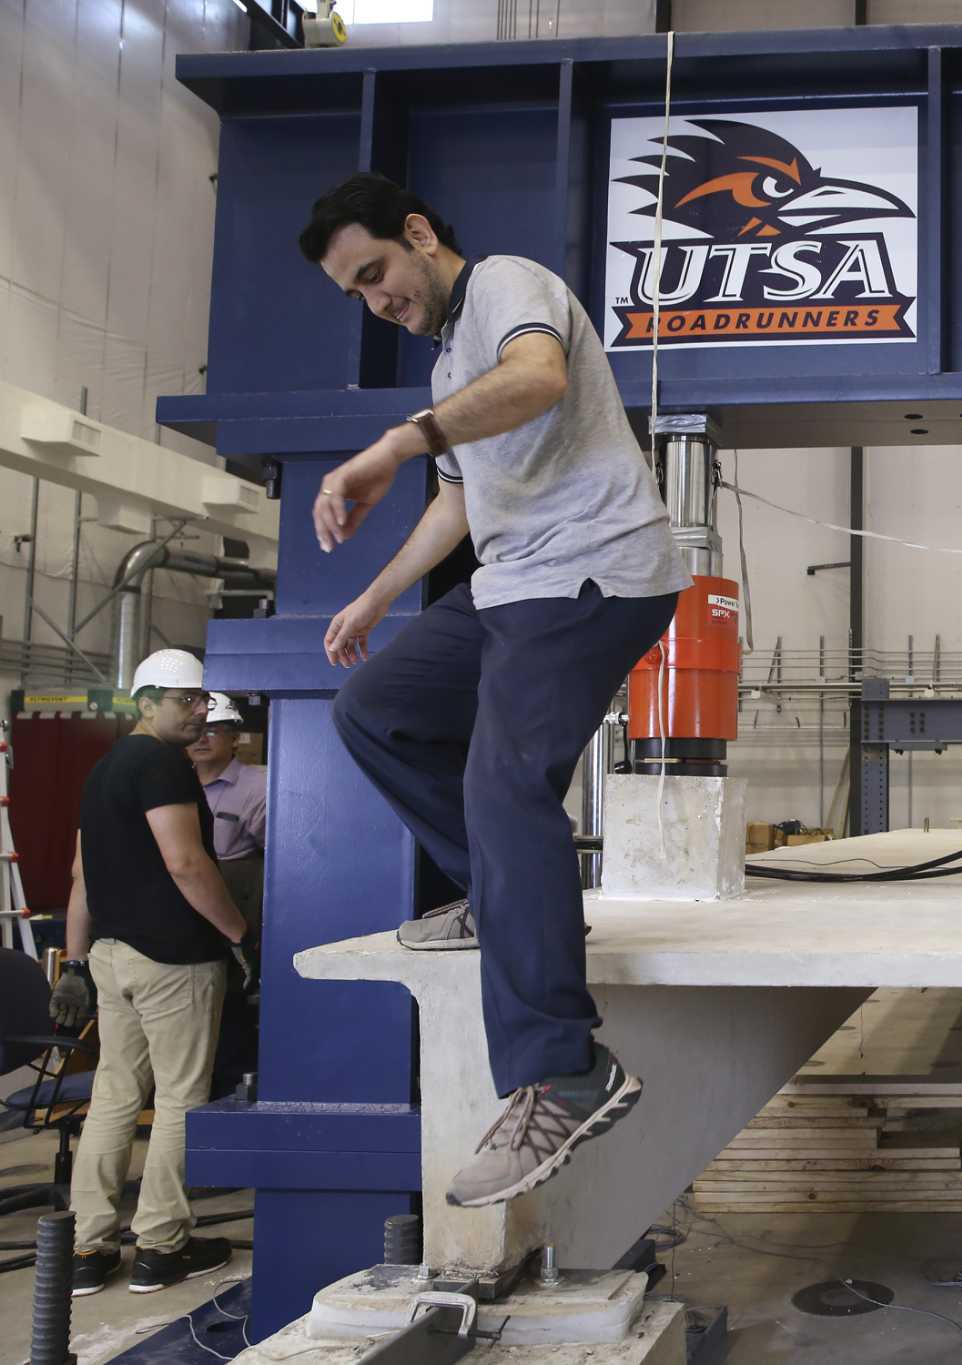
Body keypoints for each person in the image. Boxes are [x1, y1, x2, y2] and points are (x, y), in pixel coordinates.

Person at [298, 173, 685, 1207]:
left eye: (375, 270)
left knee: (505, 779)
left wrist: (392, 441)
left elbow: (541, 377)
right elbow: (466, 502)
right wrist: (376, 598)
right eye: (354, 292)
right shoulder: (446, 358)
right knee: (373, 708)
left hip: (596, 569)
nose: (375, 298)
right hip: (512, 580)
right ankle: (505, 898)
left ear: (418, 234)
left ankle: (564, 1068)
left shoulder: (508, 286)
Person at [51, 649, 256, 1297]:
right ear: (145, 704)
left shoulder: (103, 768)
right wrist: (240, 935)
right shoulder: (163, 764)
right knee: (179, 1098)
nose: (200, 710)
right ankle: (162, 1247)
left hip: (113, 957)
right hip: (174, 960)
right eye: (186, 699)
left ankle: (88, 1247)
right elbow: (187, 863)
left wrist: (75, 961)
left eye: (203, 700)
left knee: (113, 1095)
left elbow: (81, 875)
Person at [188, 692, 265, 1097]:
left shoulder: (259, 787)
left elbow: (283, 858)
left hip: (236, 921)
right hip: (185, 926)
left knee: (229, 1021)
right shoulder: (172, 780)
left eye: (214, 730)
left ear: (235, 737)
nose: (203, 739)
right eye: (198, 730)